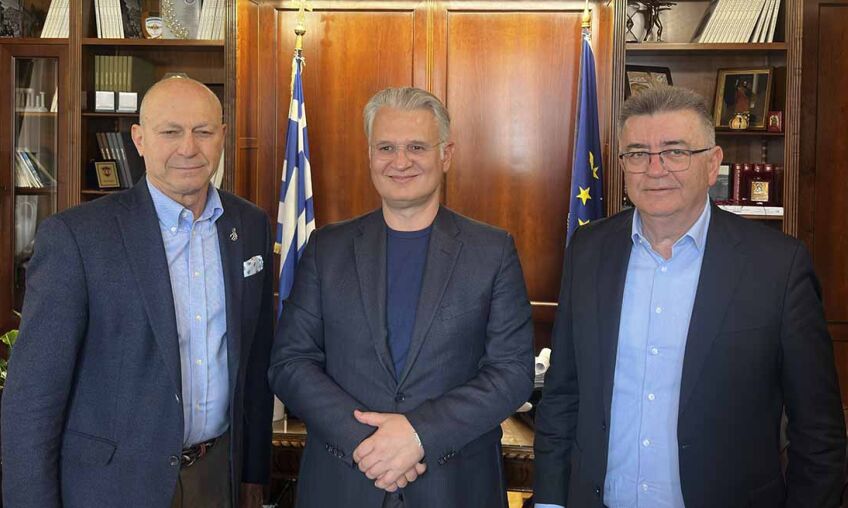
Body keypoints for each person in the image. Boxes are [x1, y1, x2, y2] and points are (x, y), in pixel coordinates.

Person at [533, 86, 845, 508]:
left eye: (675, 152)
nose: (655, 169)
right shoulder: (587, 252)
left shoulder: (778, 267)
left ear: (713, 164)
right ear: (622, 166)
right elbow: (562, 394)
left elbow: (818, 432)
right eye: (638, 153)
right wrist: (550, 501)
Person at [1, 77, 275, 508]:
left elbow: (255, 360)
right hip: (111, 485)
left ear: (222, 136)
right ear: (139, 139)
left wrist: (253, 473)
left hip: (215, 476)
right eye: (171, 132)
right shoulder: (77, 237)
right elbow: (32, 397)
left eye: (203, 131)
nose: (189, 147)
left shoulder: (250, 225)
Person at [269, 86, 534, 508]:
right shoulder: (326, 249)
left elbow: (512, 373)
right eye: (386, 147)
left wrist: (418, 435)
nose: (401, 161)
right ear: (370, 155)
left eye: (416, 147)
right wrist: (370, 444)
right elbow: (290, 363)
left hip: (454, 488)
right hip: (345, 483)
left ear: (446, 155)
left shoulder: (492, 252)